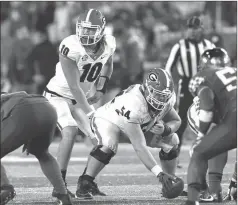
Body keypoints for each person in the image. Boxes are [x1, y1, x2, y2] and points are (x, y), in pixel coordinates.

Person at [76, 68, 182, 198]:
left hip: (136, 124)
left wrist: (166, 129)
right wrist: (159, 173)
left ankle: (169, 183)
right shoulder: (134, 103)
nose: (161, 99)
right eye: (157, 94)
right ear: (147, 88)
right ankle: (85, 182)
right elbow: (139, 146)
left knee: (172, 140)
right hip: (108, 119)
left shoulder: (168, 99)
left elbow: (176, 120)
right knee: (109, 144)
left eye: (164, 95)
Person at [43, 8, 116, 198]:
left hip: (79, 99)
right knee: (70, 130)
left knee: (102, 141)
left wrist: (101, 88)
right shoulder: (70, 45)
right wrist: (92, 114)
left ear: (101, 30)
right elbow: (74, 87)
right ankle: (59, 186)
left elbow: (108, 63)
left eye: (91, 30)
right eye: (83, 29)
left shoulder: (109, 43)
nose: (85, 33)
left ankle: (85, 183)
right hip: (57, 95)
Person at [181, 48, 237, 205]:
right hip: (227, 115)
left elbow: (206, 103)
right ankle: (223, 185)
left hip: (225, 117)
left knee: (200, 150)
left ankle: (201, 194)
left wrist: (201, 134)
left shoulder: (204, 77)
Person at [1, 91, 72, 205]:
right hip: (46, 107)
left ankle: (5, 188)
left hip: (23, 109)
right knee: (42, 153)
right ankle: (62, 194)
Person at [165, 16, 215, 161]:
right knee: (181, 119)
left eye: (195, 28)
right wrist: (168, 85)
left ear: (202, 29)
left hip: (205, 85)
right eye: (189, 28)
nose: (192, 31)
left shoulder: (209, 45)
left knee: (210, 117)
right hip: (187, 85)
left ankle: (209, 152)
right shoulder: (179, 46)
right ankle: (174, 154)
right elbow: (168, 67)